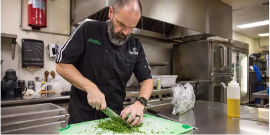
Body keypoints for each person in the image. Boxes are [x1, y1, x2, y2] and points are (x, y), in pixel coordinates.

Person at [56, 0, 153, 126]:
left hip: (113, 119)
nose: (126, 32)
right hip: (82, 119)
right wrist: (90, 87)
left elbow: (147, 79)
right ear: (111, 12)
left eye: (132, 27)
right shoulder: (88, 30)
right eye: (121, 24)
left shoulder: (135, 45)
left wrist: (140, 103)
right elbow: (61, 65)